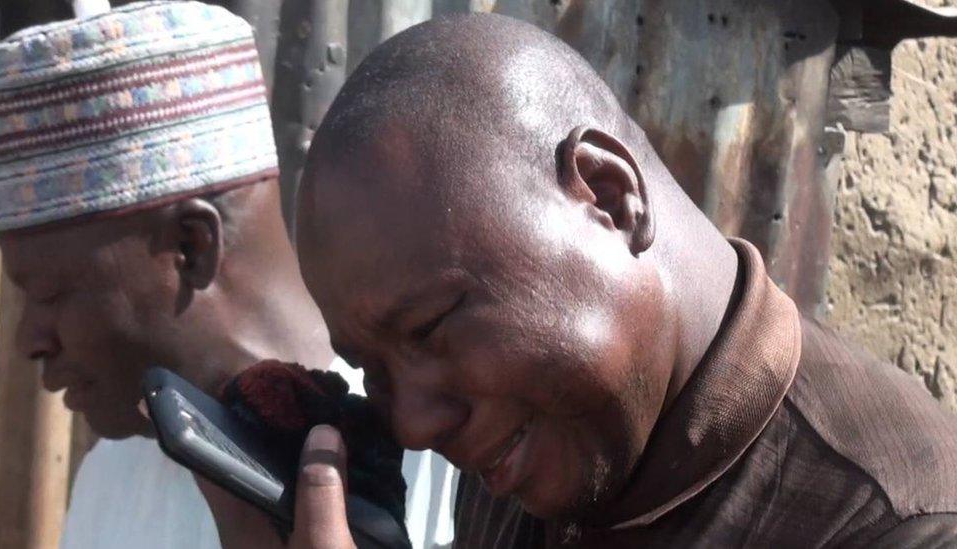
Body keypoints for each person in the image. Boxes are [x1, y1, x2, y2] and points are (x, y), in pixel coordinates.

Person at [203, 12, 957, 548]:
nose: (414, 426)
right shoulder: (542, 445)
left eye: (431, 327)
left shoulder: (900, 526)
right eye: (373, 369)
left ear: (610, 195)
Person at [0, 3, 456, 548]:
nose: (28, 341)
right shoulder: (110, 476)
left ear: (191, 246)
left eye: (48, 294)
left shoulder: (444, 448)